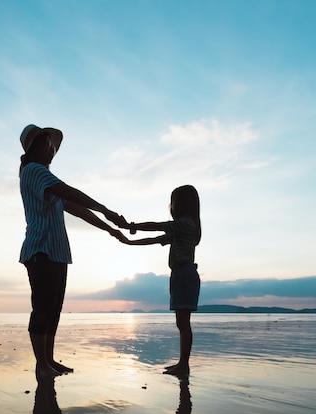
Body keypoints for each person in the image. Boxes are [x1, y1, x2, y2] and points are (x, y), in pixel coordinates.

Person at [19, 124, 127, 379]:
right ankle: (41, 364)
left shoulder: (45, 179)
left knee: (54, 309)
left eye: (54, 146)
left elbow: (77, 208)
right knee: (43, 308)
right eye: (49, 145)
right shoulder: (34, 171)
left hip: (56, 252)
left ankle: (49, 360)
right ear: (37, 146)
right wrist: (106, 209)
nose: (53, 150)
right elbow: (69, 192)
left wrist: (109, 228)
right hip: (40, 251)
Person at [123, 185, 201, 378]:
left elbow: (157, 226)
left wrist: (131, 226)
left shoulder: (185, 223)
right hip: (180, 275)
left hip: (184, 275)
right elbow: (158, 238)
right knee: (182, 323)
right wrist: (130, 242)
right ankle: (182, 364)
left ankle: (184, 366)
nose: (170, 206)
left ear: (181, 204)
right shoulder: (183, 227)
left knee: (183, 323)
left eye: (172, 202)